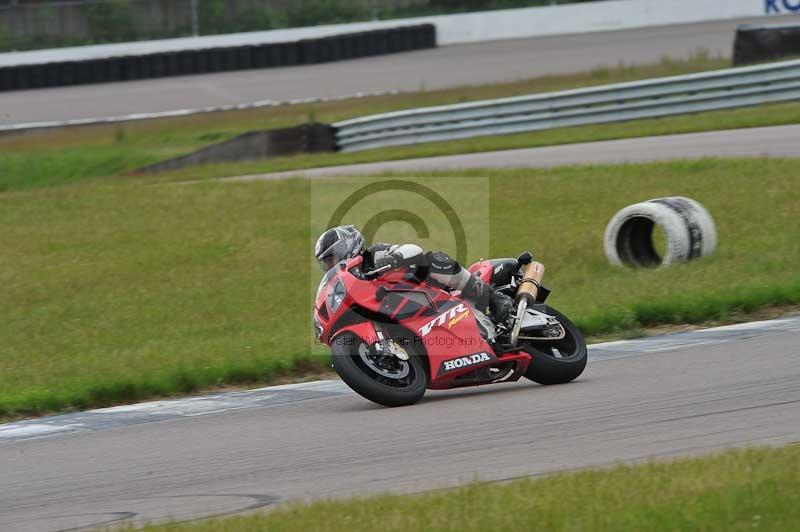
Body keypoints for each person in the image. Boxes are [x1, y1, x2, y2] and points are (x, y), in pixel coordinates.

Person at [314, 225, 514, 326]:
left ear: (348, 245)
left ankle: (493, 297)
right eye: (327, 262)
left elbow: (413, 249)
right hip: (414, 313)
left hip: (438, 293)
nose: (331, 264)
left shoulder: (374, 255)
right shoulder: (350, 281)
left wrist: (394, 258)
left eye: (332, 258)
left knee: (430, 260)